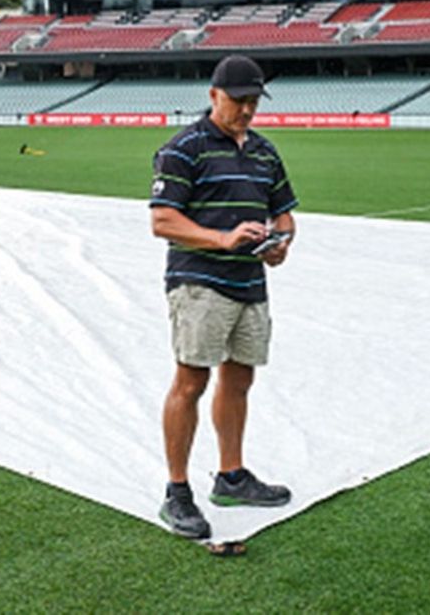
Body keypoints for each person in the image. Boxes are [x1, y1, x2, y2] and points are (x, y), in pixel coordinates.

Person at [148, 54, 297, 541]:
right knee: (190, 381)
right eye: (239, 101)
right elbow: (163, 221)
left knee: (239, 379)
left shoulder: (265, 152)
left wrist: (280, 243)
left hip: (250, 283)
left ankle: (231, 477)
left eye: (254, 101)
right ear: (213, 95)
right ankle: (176, 491)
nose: (248, 110)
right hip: (199, 281)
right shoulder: (183, 148)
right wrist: (222, 238)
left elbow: (284, 212)